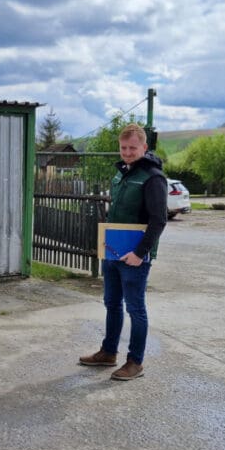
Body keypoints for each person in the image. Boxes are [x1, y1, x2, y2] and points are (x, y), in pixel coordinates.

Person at [79, 123, 168, 380]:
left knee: (135, 309)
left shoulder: (153, 177)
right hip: (114, 253)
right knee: (111, 304)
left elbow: (158, 220)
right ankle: (108, 352)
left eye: (132, 148)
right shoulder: (121, 174)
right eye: (123, 148)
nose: (127, 152)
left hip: (135, 257)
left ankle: (135, 362)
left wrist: (140, 253)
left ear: (144, 147)